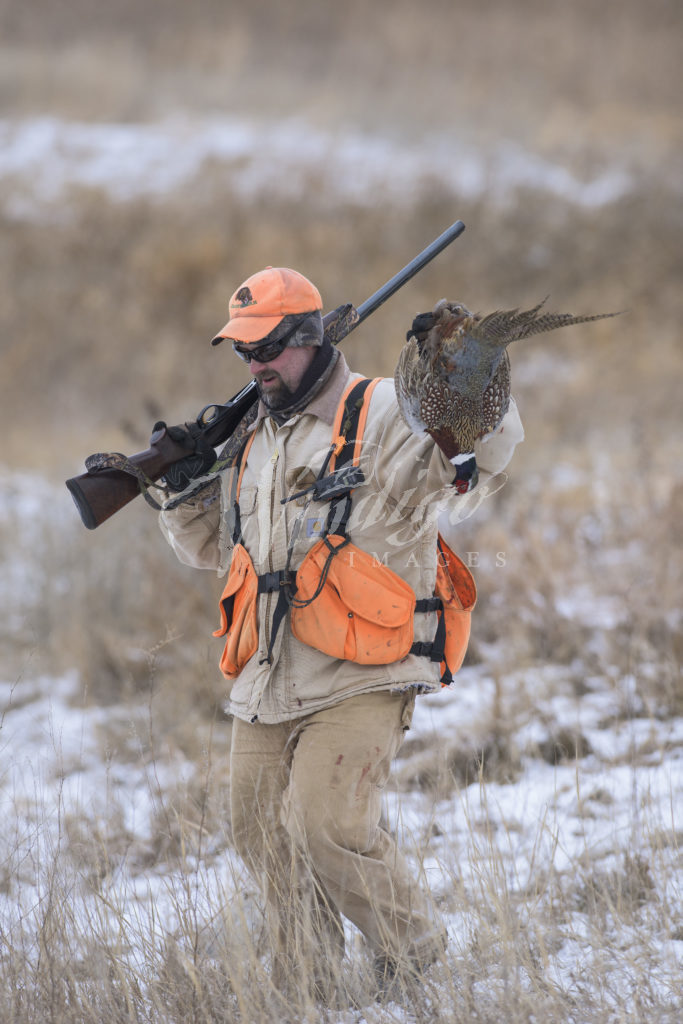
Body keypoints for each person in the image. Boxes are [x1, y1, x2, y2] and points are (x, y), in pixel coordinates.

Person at [155, 266, 524, 1005]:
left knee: (326, 824)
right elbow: (214, 550)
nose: (255, 365)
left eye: (268, 348)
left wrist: (469, 378)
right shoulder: (252, 436)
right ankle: (309, 981)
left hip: (364, 665)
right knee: (257, 829)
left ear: (310, 335)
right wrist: (183, 485)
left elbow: (477, 461)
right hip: (268, 670)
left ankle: (412, 955)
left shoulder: (383, 409)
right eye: (244, 351)